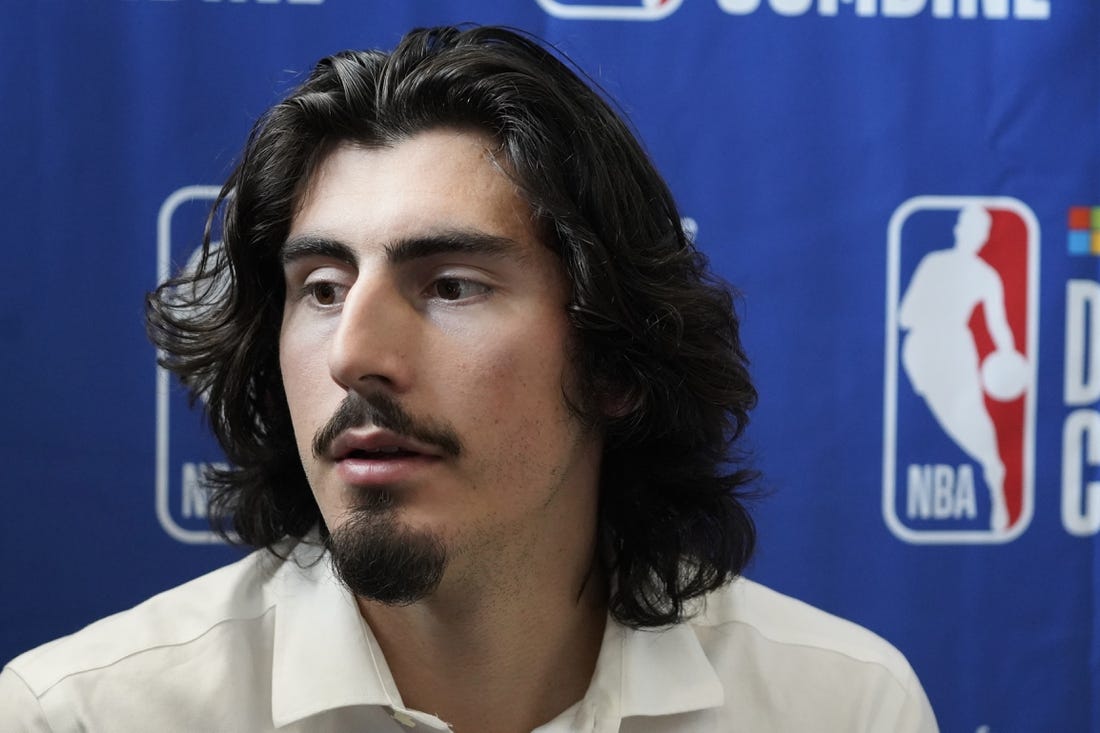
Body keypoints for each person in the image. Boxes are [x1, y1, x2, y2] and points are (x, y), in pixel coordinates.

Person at [0, 25, 937, 732]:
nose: (354, 354)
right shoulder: (83, 714)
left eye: (450, 285)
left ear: (615, 359)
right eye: (321, 288)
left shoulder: (842, 705)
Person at [898, 204, 1026, 533]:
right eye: (965, 226)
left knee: (976, 426)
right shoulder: (934, 264)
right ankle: (993, 467)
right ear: (958, 230)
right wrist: (933, 315)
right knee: (938, 423)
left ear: (983, 237)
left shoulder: (986, 276)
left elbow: (999, 326)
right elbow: (905, 315)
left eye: (978, 230)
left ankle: (995, 476)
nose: (969, 234)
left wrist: (1009, 354)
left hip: (958, 353)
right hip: (921, 353)